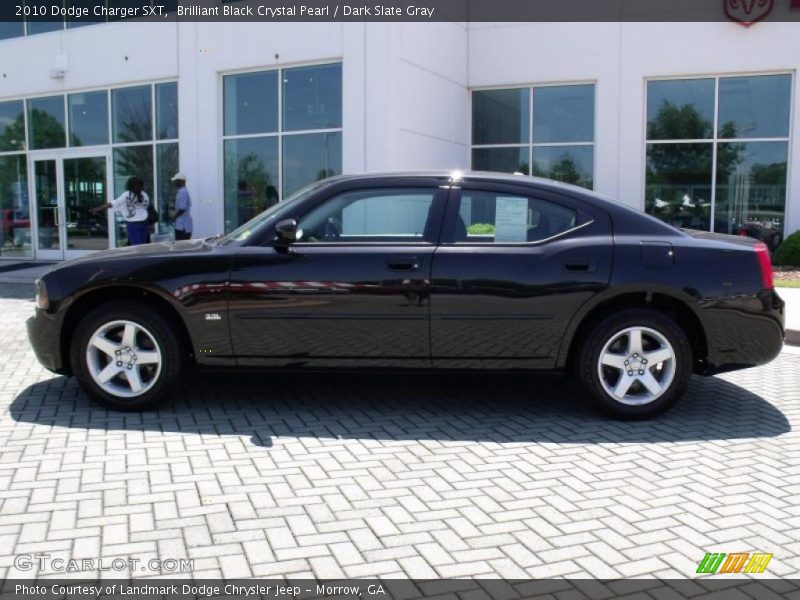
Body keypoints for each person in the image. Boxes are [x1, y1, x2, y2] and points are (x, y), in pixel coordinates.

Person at [92, 176, 151, 246]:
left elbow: (114, 203)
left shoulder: (127, 194)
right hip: (144, 222)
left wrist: (99, 208)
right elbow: (145, 206)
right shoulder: (144, 194)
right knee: (144, 245)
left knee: (136, 246)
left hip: (133, 224)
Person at [171, 173, 193, 240]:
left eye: (176, 180)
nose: (174, 182)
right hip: (183, 225)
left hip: (183, 226)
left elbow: (182, 209)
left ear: (180, 181)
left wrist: (174, 217)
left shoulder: (183, 192)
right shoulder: (183, 191)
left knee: (181, 246)